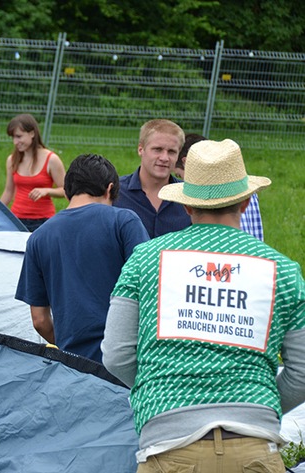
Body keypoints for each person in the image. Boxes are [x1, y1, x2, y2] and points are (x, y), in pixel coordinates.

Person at [102, 138, 305, 471]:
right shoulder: (282, 270)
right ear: (245, 203)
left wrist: (160, 394)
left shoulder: (146, 259)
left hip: (168, 447)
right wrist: (256, 406)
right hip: (254, 448)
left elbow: (117, 354)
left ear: (186, 205)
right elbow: (302, 373)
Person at [15, 154, 149, 363]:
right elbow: (149, 287)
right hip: (124, 357)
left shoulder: (38, 237)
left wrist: (70, 349)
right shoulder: (124, 221)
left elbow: (40, 320)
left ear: (67, 192)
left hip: (73, 365)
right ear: (110, 189)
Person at [177, 133, 265, 241]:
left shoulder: (161, 252)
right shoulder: (249, 194)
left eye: (179, 176)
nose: (181, 180)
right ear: (245, 201)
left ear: (188, 206)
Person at [113, 119, 191, 238]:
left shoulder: (189, 196)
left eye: (171, 152)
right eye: (157, 149)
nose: (164, 158)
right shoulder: (115, 193)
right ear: (141, 149)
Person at [0, 114, 66, 232]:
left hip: (43, 221)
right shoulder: (12, 160)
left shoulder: (51, 159)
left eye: (19, 136)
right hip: (17, 219)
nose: (15, 142)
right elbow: (8, 191)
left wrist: (46, 191)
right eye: (13, 138)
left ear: (32, 133)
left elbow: (66, 190)